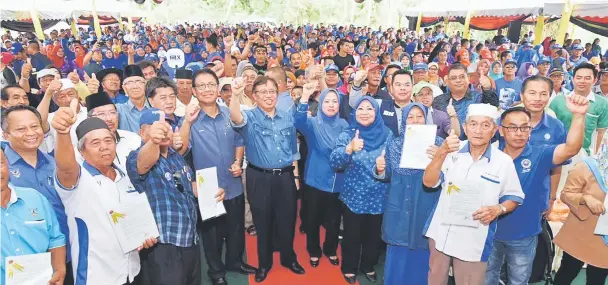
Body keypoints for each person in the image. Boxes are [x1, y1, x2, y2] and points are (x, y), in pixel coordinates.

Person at [486, 86, 589, 285]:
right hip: (490, 231)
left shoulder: (540, 154)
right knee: (488, 277)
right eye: (512, 128)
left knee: (519, 279)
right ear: (501, 130)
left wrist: (578, 116)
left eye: (524, 127)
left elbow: (571, 148)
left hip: (524, 233)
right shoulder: (489, 155)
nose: (519, 133)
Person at [423, 104, 525, 285]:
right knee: (435, 279)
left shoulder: (503, 162)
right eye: (473, 124)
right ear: (464, 127)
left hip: (475, 235)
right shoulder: (451, 150)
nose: (478, 130)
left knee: (470, 281)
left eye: (486, 125)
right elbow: (429, 182)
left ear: (495, 130)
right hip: (442, 229)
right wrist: (442, 152)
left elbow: (514, 197)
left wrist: (498, 209)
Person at [53, 106, 156, 284]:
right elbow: (65, 166)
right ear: (82, 151)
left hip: (131, 271)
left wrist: (144, 236)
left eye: (109, 141)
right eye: (95, 143)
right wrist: (62, 134)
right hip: (97, 276)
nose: (104, 147)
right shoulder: (78, 180)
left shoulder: (124, 175)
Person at [180, 69, 257, 285]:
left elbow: (239, 140)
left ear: (218, 88)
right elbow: (181, 148)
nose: (207, 89)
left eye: (211, 85)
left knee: (235, 228)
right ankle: (216, 272)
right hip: (207, 187)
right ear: (194, 91)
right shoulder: (190, 120)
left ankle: (235, 262)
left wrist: (238, 162)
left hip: (233, 182)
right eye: (201, 86)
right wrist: (186, 122)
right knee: (212, 235)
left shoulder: (228, 113)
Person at [229, 76, 304, 282]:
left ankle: (289, 259)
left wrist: (296, 174)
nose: (268, 95)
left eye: (272, 91)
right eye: (263, 91)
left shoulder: (287, 116)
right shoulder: (249, 117)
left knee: (288, 221)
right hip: (258, 177)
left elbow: (292, 149)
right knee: (262, 222)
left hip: (286, 176)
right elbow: (235, 117)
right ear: (254, 96)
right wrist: (235, 95)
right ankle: (264, 264)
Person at [126, 108, 211, 285]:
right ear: (142, 133)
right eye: (156, 126)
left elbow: (184, 186)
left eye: (167, 126)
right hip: (165, 244)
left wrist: (210, 191)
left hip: (190, 238)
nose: (164, 130)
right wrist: (154, 142)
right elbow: (143, 164)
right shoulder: (136, 157)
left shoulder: (175, 156)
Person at [0, 105, 72, 284]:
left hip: (62, 255)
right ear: (6, 135)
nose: (30, 133)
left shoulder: (55, 163)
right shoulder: (3, 168)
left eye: (34, 126)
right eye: (21, 129)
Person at [376, 103, 443, 285]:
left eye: (419, 116)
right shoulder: (395, 144)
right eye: (410, 117)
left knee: (423, 258)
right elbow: (387, 175)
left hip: (425, 204)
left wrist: (440, 158)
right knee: (397, 260)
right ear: (404, 120)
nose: (415, 120)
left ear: (426, 118)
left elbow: (447, 177)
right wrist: (380, 169)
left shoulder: (438, 144)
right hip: (399, 207)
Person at [330, 97, 391, 284]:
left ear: (377, 113)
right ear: (354, 112)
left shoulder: (388, 134)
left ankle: (367, 265)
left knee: (373, 236)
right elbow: (334, 162)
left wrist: (383, 169)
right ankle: (349, 267)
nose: (365, 112)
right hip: (353, 196)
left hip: (379, 196)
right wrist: (349, 149)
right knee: (352, 235)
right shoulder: (348, 134)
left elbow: (393, 168)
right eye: (361, 108)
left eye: (370, 109)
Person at [295, 85, 348, 268]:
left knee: (333, 221)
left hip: (338, 182)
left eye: (335, 101)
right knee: (312, 220)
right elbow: (298, 121)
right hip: (314, 181)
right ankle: (314, 251)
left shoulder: (344, 125)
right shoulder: (313, 122)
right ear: (320, 102)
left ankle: (330, 249)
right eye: (327, 101)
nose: (331, 105)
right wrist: (304, 97)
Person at [0, 148, 67, 285]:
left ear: (7, 164)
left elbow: (55, 238)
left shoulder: (35, 198)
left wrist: (60, 269)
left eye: (0, 163)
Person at [553, 135, 608, 285]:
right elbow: (566, 194)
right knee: (567, 273)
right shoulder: (588, 166)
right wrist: (585, 199)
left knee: (597, 279)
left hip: (604, 241)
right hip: (580, 232)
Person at [550, 63, 608, 155]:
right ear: (573, 79)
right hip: (559, 152)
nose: (582, 81)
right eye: (579, 77)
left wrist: (595, 157)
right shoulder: (559, 100)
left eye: (587, 78)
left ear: (595, 80)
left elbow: (600, 133)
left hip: (586, 155)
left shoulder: (603, 103)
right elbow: (550, 127)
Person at [84, 91, 141, 171]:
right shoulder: (84, 147)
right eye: (101, 114)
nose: (109, 118)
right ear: (89, 118)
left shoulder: (133, 138)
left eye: (112, 112)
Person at [116, 64, 150, 133]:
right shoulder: (118, 110)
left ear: (145, 85)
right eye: (129, 83)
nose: (135, 86)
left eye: (138, 81)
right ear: (124, 88)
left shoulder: (156, 106)